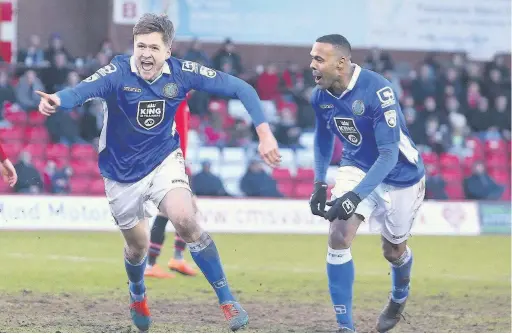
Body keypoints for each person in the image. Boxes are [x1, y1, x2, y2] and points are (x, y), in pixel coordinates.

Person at [36, 13, 281, 332]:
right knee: (137, 247)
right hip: (120, 173)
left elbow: (241, 88)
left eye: (153, 47)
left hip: (164, 160)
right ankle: (137, 293)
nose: (146, 54)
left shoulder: (183, 72)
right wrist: (58, 99)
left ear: (168, 51)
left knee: (185, 219)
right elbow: (82, 91)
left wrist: (264, 133)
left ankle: (227, 299)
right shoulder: (118, 71)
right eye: (141, 46)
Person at [308, 34, 425, 333]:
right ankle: (345, 327)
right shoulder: (320, 96)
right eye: (312, 58)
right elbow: (323, 137)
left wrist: (354, 196)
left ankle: (399, 297)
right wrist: (320, 182)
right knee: (338, 235)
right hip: (356, 166)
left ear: (342, 63)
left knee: (394, 251)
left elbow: (388, 154)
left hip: (400, 175)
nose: (312, 65)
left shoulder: (378, 90)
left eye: (319, 59)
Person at [145, 99, 198, 279]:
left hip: (170, 160)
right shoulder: (177, 101)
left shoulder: (174, 100)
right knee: (170, 212)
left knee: (184, 209)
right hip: (171, 161)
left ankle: (174, 259)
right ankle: (154, 263)